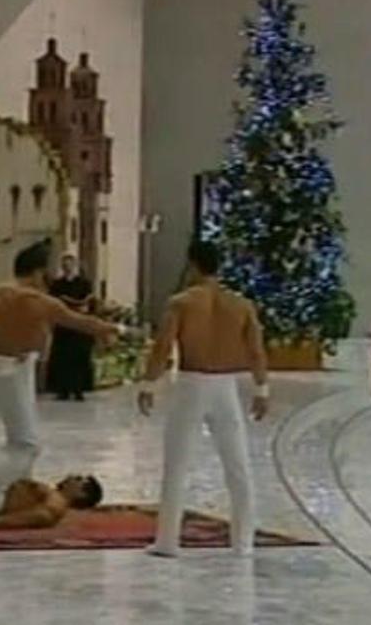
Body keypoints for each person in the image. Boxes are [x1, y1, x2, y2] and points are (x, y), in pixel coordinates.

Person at [0, 241, 120, 517]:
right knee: (25, 442)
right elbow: (80, 322)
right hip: (18, 368)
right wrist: (112, 329)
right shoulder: (41, 302)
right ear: (38, 272)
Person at [137, 239, 268, 559]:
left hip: (192, 384)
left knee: (177, 464)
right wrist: (261, 389)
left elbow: (163, 346)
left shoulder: (182, 303)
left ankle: (168, 541)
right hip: (226, 387)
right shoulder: (241, 305)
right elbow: (256, 350)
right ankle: (243, 543)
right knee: (237, 465)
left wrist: (149, 384)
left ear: (192, 264)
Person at [0, 474, 103, 529]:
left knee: (25, 448)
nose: (71, 476)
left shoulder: (57, 502)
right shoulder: (55, 498)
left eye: (78, 479)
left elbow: (40, 516)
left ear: (81, 494)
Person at [47, 253, 95, 401]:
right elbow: (53, 302)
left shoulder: (84, 283)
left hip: (79, 326)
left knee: (79, 357)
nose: (67, 267)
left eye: (70, 264)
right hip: (63, 328)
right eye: (64, 265)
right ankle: (63, 390)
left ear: (75, 265)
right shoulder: (57, 285)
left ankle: (79, 389)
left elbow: (90, 302)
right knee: (63, 358)